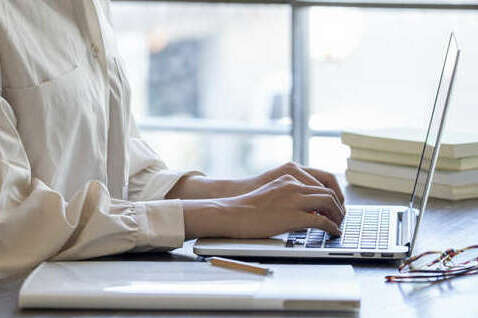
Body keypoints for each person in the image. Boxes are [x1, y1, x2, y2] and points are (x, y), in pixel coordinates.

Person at [0, 1, 345, 278]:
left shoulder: (90, 7)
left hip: (90, 283)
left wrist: (241, 190)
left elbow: (117, 173)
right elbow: (12, 223)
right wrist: (229, 213)